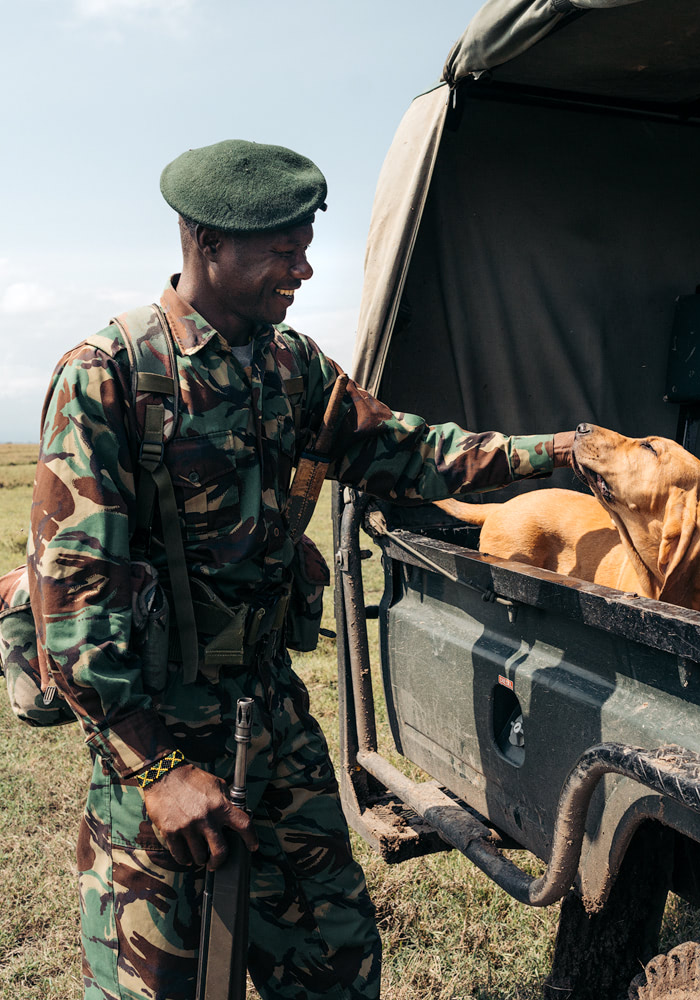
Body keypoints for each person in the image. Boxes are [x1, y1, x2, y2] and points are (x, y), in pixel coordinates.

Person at [28, 139, 575, 1000]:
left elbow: (412, 453)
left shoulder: (292, 368)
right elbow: (71, 602)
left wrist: (566, 452)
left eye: (304, 245)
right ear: (206, 243)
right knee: (161, 985)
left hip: (270, 719)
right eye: (281, 250)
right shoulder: (110, 375)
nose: (304, 269)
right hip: (158, 735)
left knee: (338, 966)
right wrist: (159, 770)